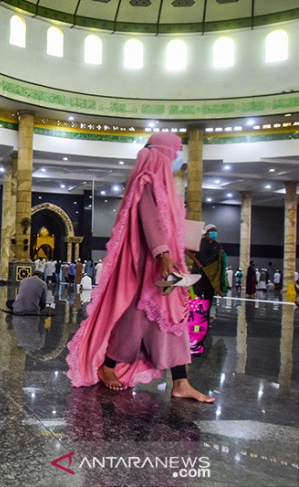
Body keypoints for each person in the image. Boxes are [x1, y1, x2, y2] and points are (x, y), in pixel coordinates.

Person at [66, 133, 214, 403]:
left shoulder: (163, 186)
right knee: (134, 320)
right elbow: (149, 220)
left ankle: (181, 382)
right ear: (161, 153)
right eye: (175, 152)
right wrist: (163, 254)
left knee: (172, 323)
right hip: (147, 267)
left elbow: (165, 224)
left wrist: (178, 250)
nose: (177, 158)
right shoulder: (147, 181)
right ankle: (108, 366)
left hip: (163, 266)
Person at [188, 223, 228, 318]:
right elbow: (188, 251)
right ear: (206, 232)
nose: (214, 233)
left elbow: (221, 260)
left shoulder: (217, 246)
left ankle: (206, 314)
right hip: (199, 272)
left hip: (211, 276)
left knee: (209, 295)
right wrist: (197, 262)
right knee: (197, 294)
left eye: (215, 231)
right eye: (212, 231)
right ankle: (195, 314)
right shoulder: (199, 242)